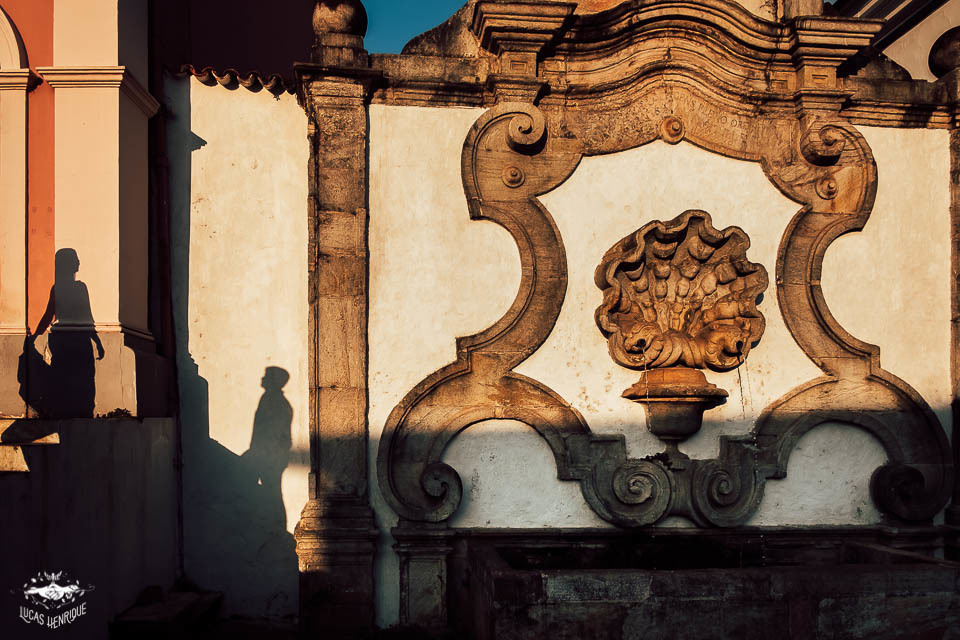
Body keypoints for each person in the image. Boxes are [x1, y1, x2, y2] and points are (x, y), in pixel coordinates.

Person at [27, 248, 103, 418]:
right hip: (79, 340)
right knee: (83, 379)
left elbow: (48, 315)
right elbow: (87, 316)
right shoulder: (80, 288)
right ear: (69, 264)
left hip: (62, 339)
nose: (78, 262)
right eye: (75, 259)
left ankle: (64, 412)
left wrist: (35, 336)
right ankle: (82, 413)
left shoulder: (58, 288)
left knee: (64, 378)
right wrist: (97, 341)